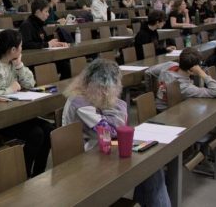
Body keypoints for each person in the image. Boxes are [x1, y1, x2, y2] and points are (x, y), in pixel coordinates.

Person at [63, 59, 171, 207]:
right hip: (84, 159)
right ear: (101, 86)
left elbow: (118, 126)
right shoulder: (79, 102)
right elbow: (110, 130)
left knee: (151, 167)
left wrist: (111, 104)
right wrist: (113, 104)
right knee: (148, 168)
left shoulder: (94, 97)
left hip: (103, 151)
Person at [0, 29, 52, 177]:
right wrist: (9, 90)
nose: (22, 49)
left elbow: (30, 83)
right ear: (13, 49)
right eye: (20, 46)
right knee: (36, 133)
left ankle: (38, 173)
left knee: (48, 128)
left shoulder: (12, 63)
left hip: (13, 113)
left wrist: (20, 65)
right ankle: (23, 173)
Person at [146, 47, 216, 111]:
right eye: (199, 67)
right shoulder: (185, 87)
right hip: (168, 112)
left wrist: (150, 94)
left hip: (159, 107)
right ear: (191, 71)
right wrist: (202, 73)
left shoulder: (170, 65)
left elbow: (148, 72)